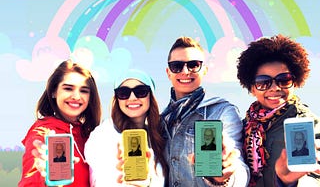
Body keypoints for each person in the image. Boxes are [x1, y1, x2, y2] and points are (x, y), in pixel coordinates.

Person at [161, 36, 249, 186]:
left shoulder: (222, 112)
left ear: (204, 70)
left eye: (193, 65)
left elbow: (239, 169)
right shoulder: (160, 120)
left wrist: (224, 176)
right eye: (177, 66)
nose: (185, 71)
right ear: (168, 72)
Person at [237, 34, 320, 186]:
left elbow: (314, 176)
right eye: (263, 82)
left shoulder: (306, 123)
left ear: (295, 82)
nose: (275, 88)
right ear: (252, 89)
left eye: (284, 80)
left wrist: (289, 182)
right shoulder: (242, 126)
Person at [18, 60, 102, 187]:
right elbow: (31, 181)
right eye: (68, 88)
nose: (76, 96)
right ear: (53, 92)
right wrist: (43, 178)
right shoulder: (43, 134)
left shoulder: (91, 135)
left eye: (84, 90)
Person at [85, 69, 168, 187]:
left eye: (141, 91)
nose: (132, 97)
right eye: (123, 93)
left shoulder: (159, 136)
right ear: (117, 99)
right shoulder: (104, 134)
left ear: (151, 96)